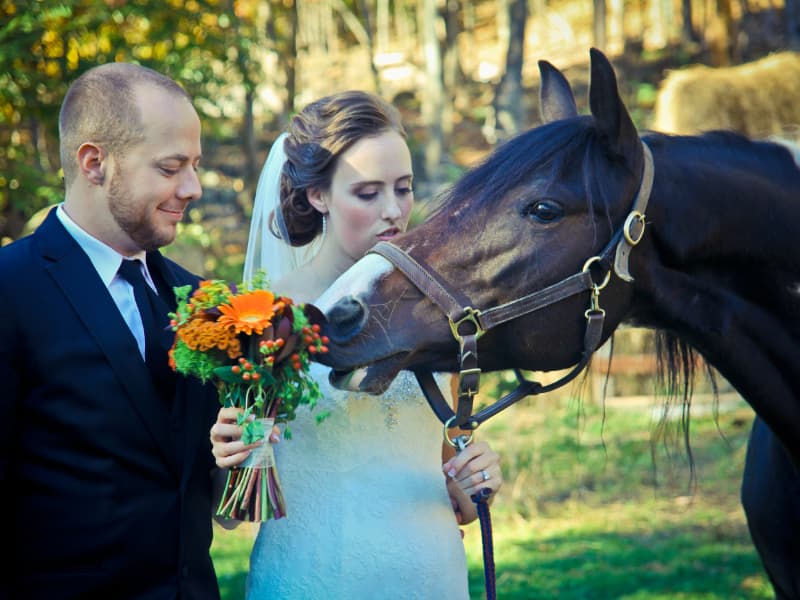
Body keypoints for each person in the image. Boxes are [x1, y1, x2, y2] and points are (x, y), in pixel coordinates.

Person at [210, 90, 504, 598]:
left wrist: (475, 476)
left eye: (404, 188)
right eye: (367, 193)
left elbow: (448, 479)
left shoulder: (439, 313)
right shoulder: (260, 318)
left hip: (431, 576)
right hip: (311, 575)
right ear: (317, 196)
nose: (393, 211)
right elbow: (231, 515)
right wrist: (231, 455)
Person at [0, 63, 221, 599]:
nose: (191, 188)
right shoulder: (11, 289)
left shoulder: (204, 301)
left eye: (195, 165)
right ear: (95, 162)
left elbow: (198, 482)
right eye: (171, 167)